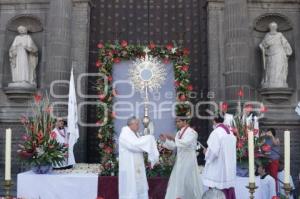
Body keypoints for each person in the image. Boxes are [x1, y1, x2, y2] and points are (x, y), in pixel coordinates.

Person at [160, 114, 203, 199]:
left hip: (189, 161)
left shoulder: (192, 132)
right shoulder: (179, 133)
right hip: (179, 162)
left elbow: (185, 143)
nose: (177, 123)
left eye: (179, 121)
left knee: (189, 182)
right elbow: (174, 146)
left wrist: (172, 138)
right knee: (176, 182)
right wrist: (166, 140)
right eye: (176, 122)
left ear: (185, 121)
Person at [118, 116, 159, 199]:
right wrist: (149, 138)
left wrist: (147, 140)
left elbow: (139, 145)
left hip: (135, 167)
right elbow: (134, 145)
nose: (139, 126)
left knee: (138, 187)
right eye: (137, 124)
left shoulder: (134, 134)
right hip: (129, 168)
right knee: (130, 189)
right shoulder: (125, 132)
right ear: (131, 124)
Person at [202, 114, 237, 199]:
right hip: (228, 171)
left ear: (214, 121)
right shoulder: (230, 133)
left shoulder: (216, 132)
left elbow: (213, 153)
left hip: (218, 171)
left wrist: (206, 153)